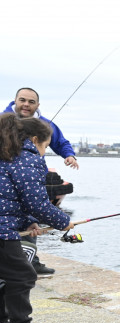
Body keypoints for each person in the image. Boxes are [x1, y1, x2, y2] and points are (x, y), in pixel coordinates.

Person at [0, 113, 74, 323]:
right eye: (45, 146)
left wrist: (28, 222)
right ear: (34, 139)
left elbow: (11, 197)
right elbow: (37, 203)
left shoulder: (8, 154)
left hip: (4, 225)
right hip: (3, 232)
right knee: (23, 276)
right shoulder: (27, 157)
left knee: (5, 277)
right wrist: (64, 222)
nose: (44, 151)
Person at [4, 87, 79, 275]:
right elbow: (37, 206)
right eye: (22, 100)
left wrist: (69, 155)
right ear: (15, 101)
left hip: (28, 180)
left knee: (28, 217)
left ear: (37, 105)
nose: (26, 104)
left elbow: (61, 141)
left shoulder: (45, 124)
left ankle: (31, 260)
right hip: (9, 179)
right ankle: (21, 267)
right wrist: (63, 222)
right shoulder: (3, 120)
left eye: (31, 102)